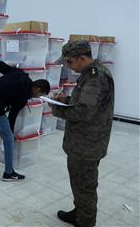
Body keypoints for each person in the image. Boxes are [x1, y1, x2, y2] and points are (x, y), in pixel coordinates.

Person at [50, 40, 114, 227]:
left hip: (87, 144)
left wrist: (56, 107)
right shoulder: (91, 73)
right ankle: (79, 213)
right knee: (78, 182)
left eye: (69, 62)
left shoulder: (95, 77)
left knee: (85, 186)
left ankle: (85, 222)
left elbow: (83, 112)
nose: (68, 67)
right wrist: (66, 99)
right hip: (83, 141)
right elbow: (86, 103)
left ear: (81, 58)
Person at [0, 61, 50, 181]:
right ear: (37, 89)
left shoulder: (19, 74)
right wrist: (10, 133)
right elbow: (12, 116)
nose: (38, 97)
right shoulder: (22, 96)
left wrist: (10, 67)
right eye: (40, 94)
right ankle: (9, 173)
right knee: (9, 139)